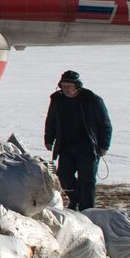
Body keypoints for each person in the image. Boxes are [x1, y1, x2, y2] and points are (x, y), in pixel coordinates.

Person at [43, 70, 112, 211]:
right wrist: (49, 139)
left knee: (87, 180)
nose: (66, 89)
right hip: (66, 145)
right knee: (63, 176)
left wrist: (104, 145)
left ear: (77, 86)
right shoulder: (57, 100)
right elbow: (51, 120)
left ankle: (87, 209)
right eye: (63, 86)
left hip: (88, 146)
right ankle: (76, 199)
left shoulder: (92, 100)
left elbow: (105, 124)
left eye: (69, 86)